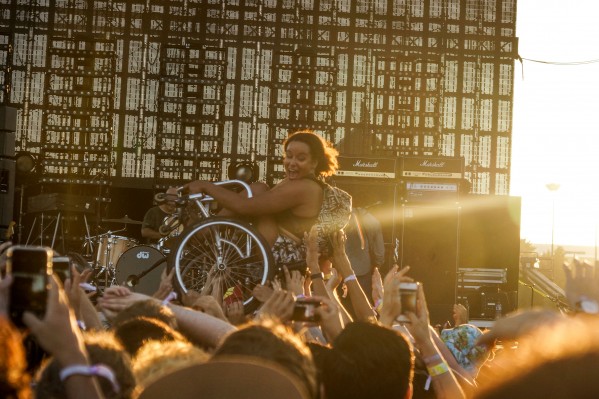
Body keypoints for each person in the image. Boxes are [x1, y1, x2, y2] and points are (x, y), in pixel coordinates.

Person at [184, 130, 349, 270]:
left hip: (284, 256)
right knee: (258, 188)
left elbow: (244, 206)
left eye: (301, 158)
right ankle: (209, 229)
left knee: (258, 190)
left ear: (314, 162)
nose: (292, 163)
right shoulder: (297, 183)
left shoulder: (305, 187)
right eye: (289, 156)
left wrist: (206, 186)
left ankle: (207, 231)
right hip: (278, 248)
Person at [343, 206, 385, 302]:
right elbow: (379, 250)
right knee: (363, 301)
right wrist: (377, 264)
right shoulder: (372, 220)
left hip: (339, 271)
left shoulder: (336, 214)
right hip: (362, 269)